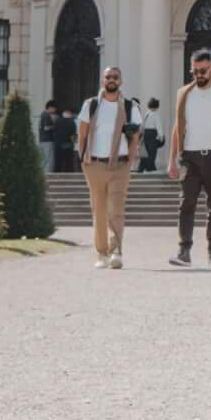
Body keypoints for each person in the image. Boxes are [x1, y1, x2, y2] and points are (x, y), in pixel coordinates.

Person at [167, 50, 211, 270]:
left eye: (203, 70)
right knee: (185, 203)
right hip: (189, 157)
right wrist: (171, 160)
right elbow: (177, 129)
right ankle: (184, 251)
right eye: (195, 71)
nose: (199, 75)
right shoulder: (184, 94)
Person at [76, 66, 142, 270]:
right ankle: (101, 253)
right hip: (94, 163)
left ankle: (116, 251)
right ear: (102, 81)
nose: (111, 80)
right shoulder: (91, 105)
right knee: (99, 210)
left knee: (116, 209)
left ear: (120, 81)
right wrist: (83, 159)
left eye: (115, 77)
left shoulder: (130, 107)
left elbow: (135, 137)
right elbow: (82, 134)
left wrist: (130, 161)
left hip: (119, 165)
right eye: (108, 77)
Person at [139, 98, 163, 174]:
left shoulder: (146, 114)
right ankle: (150, 167)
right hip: (153, 134)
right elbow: (159, 127)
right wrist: (161, 136)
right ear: (157, 106)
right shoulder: (156, 115)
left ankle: (143, 167)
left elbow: (142, 125)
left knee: (146, 152)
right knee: (152, 152)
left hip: (146, 134)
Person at [52, 106, 78, 174]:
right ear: (70, 114)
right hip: (68, 145)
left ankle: (56, 175)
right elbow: (73, 135)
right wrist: (75, 142)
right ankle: (69, 175)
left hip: (57, 145)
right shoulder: (72, 122)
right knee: (68, 162)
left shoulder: (57, 121)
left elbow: (53, 132)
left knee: (58, 161)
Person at [38, 99, 57, 171]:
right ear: (50, 107)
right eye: (54, 108)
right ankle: (47, 175)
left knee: (44, 159)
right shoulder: (46, 115)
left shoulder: (42, 114)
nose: (55, 110)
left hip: (42, 140)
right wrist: (54, 126)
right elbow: (46, 128)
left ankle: (44, 174)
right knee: (48, 159)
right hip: (47, 140)